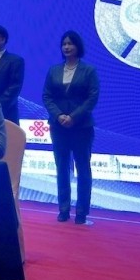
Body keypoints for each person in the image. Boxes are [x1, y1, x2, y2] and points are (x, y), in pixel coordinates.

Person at [42, 30, 100, 225]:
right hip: (58, 126)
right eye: (64, 44)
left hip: (81, 126)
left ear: (78, 46)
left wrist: (73, 117)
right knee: (62, 167)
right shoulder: (54, 70)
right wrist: (59, 116)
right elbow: (47, 96)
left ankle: (82, 212)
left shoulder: (89, 70)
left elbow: (92, 98)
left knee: (82, 168)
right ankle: (63, 209)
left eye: (70, 44)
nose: (66, 47)